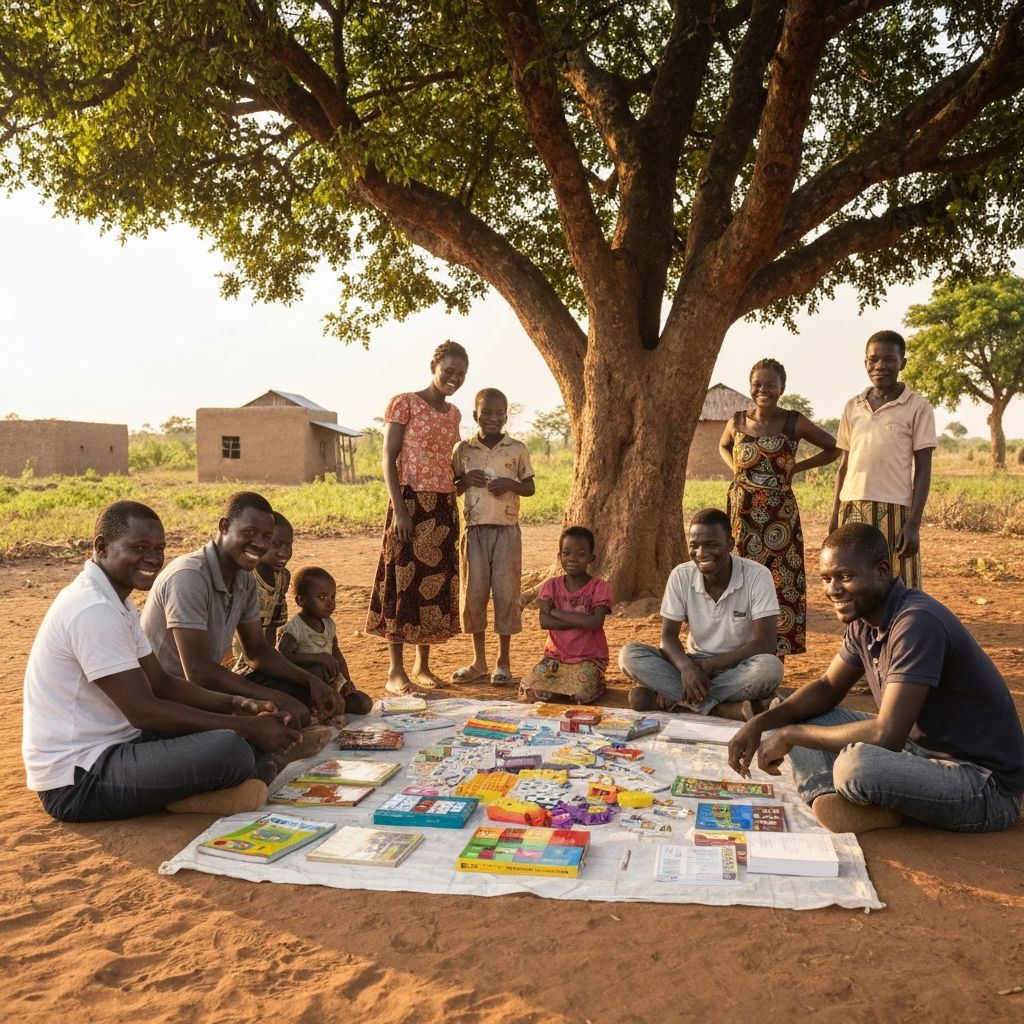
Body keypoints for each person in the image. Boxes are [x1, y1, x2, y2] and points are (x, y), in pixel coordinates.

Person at [728, 522, 1024, 834]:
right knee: (792, 706)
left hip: (984, 785)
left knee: (856, 765)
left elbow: (887, 735)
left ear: (882, 571)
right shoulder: (865, 619)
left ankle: (890, 809)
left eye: (845, 576)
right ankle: (828, 798)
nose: (833, 590)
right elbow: (828, 688)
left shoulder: (916, 623)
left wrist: (790, 735)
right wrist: (759, 724)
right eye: (827, 579)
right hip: (918, 752)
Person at [22, 500, 302, 822]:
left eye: (159, 548)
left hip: (120, 744)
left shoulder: (119, 604)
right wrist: (244, 726)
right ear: (102, 547)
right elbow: (144, 710)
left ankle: (207, 786)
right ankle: (195, 791)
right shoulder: (92, 609)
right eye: (139, 547)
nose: (153, 559)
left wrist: (241, 704)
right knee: (232, 749)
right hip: (78, 779)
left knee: (239, 740)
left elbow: (162, 683)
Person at [141, 492, 339, 749]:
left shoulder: (244, 578)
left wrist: (312, 682)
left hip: (208, 688)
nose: (259, 543)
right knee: (240, 742)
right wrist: (271, 697)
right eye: (249, 533)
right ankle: (267, 752)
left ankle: (275, 744)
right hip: (175, 697)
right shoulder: (189, 577)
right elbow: (198, 672)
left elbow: (257, 651)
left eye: (266, 536)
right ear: (224, 527)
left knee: (308, 685)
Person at [366, 340, 469, 695]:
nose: (454, 378)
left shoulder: (455, 414)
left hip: (442, 507)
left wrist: (462, 484)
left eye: (461, 374)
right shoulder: (404, 402)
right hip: (409, 504)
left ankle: (422, 666)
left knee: (433, 585)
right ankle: (396, 672)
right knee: (403, 581)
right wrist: (400, 509)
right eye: (448, 371)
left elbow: (447, 464)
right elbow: (388, 458)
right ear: (433, 366)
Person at [719, 358, 839, 656]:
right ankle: (737, 650)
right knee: (739, 579)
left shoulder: (793, 421)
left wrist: (797, 468)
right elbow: (723, 445)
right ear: (750, 386)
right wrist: (735, 468)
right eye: (758, 384)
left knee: (779, 579)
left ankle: (775, 654)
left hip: (779, 519)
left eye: (770, 385)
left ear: (782, 388)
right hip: (741, 516)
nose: (763, 390)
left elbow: (833, 448)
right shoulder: (736, 420)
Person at [618, 508, 783, 720]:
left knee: (770, 668)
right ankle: (722, 709)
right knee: (630, 655)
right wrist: (687, 668)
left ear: (730, 544)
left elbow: (766, 643)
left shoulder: (757, 576)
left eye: (712, 545)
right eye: (694, 545)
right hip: (693, 662)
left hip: (738, 665)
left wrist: (709, 667)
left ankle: (678, 701)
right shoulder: (681, 575)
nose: (701, 553)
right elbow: (667, 638)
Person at [829, 330, 936, 588]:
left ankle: (901, 630)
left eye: (889, 359)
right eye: (873, 359)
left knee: (897, 581)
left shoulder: (917, 407)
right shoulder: (853, 406)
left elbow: (923, 470)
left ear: (903, 363)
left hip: (896, 510)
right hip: (852, 508)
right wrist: (834, 516)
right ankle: (858, 631)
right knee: (852, 582)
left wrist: (914, 524)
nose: (880, 366)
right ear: (865, 363)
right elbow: (843, 467)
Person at [450, 387, 536, 687]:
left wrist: (509, 483)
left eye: (499, 413)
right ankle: (479, 661)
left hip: (507, 532)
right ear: (475, 415)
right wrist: (463, 480)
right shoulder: (463, 450)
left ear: (506, 416)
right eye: (486, 412)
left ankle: (503, 662)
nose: (493, 418)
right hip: (474, 532)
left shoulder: (517, 449)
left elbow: (530, 487)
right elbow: (452, 488)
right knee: (473, 595)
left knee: (505, 594)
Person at [519, 526, 614, 705]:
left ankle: (588, 686)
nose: (572, 559)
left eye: (581, 554)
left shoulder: (600, 587)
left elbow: (595, 622)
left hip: (588, 659)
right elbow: (544, 621)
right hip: (555, 660)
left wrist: (554, 611)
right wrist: (581, 620)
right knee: (530, 689)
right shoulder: (551, 585)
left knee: (582, 693)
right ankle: (560, 692)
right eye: (566, 553)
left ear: (591, 558)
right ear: (559, 556)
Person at [279, 566, 373, 716]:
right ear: (301, 600)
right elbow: (282, 657)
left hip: (332, 682)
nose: (330, 603)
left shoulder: (329, 624)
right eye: (322, 597)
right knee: (318, 670)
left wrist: (347, 681)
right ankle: (315, 707)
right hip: (306, 685)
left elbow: (337, 654)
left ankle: (330, 705)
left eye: (333, 596)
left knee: (364, 703)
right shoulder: (294, 629)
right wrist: (317, 658)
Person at [230, 510, 293, 673]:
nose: (284, 552)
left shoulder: (282, 578)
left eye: (289, 545)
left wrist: (270, 660)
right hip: (239, 662)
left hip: (263, 657)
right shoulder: (243, 579)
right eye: (276, 545)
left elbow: (272, 627)